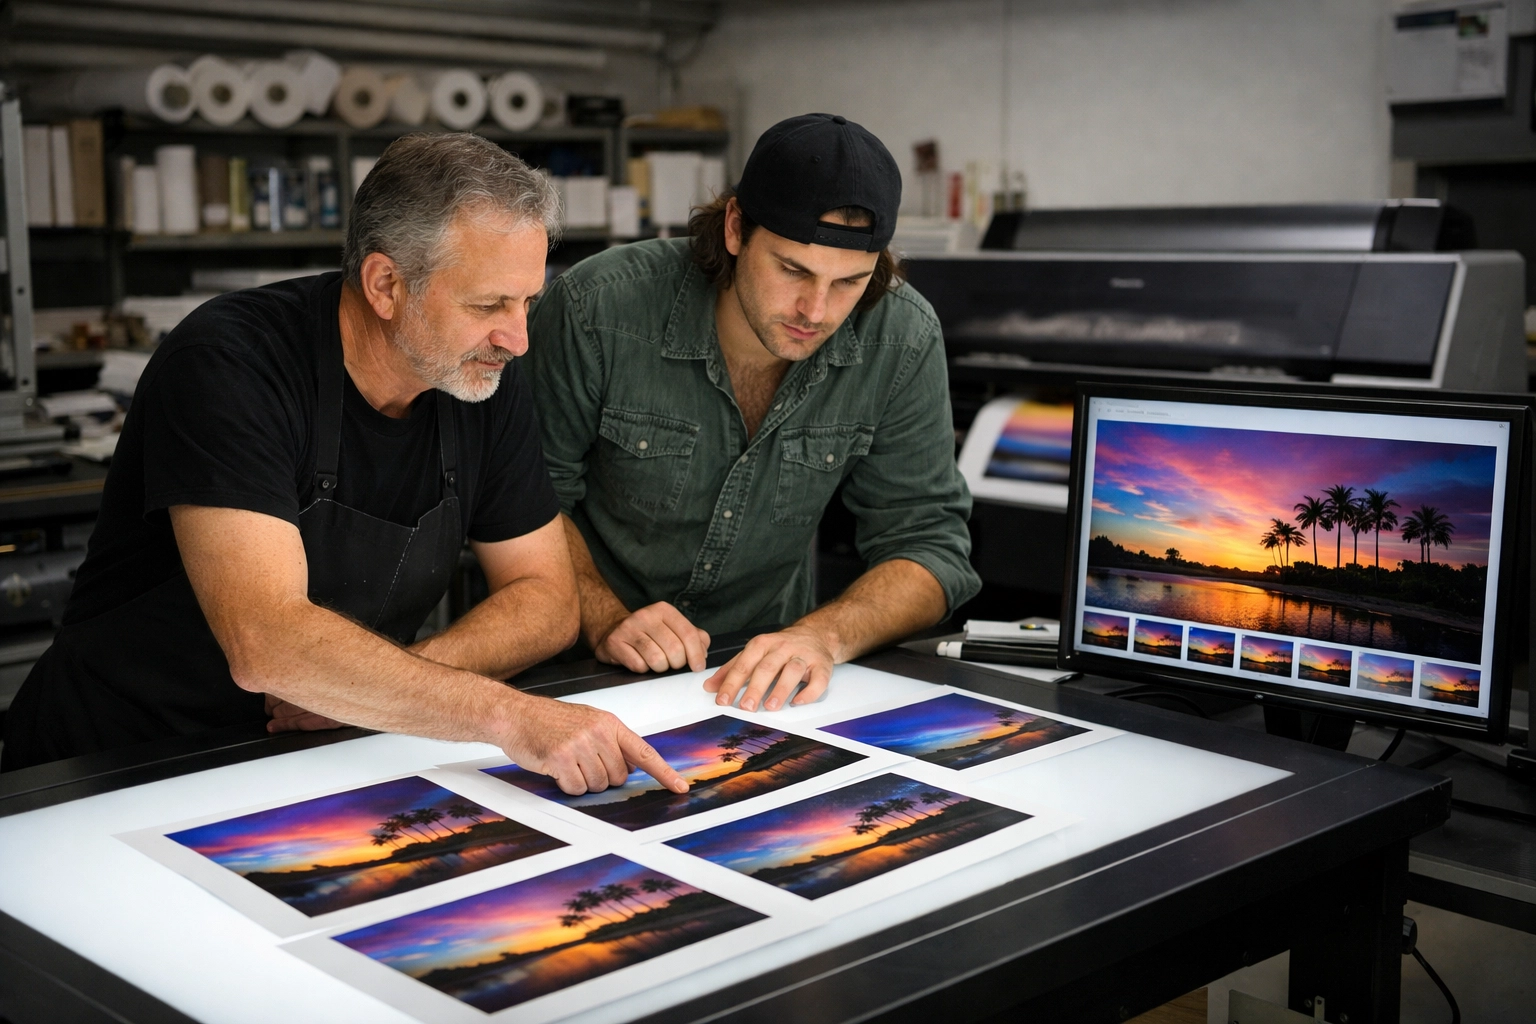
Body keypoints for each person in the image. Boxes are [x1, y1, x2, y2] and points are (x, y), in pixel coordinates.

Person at [2, 133, 684, 797]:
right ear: (385, 284)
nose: (517, 337)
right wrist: (511, 715)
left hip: (305, 761)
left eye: (527, 301)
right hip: (118, 767)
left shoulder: (477, 378)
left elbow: (547, 600)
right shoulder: (232, 363)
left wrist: (374, 687)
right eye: (488, 305)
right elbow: (266, 641)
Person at [528, 112, 980, 715]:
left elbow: (929, 543)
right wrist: (605, 616)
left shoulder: (902, 337)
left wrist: (822, 635)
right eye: (792, 269)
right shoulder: (596, 310)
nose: (814, 310)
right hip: (576, 672)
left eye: (848, 282)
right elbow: (526, 503)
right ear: (736, 227)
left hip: (761, 684)